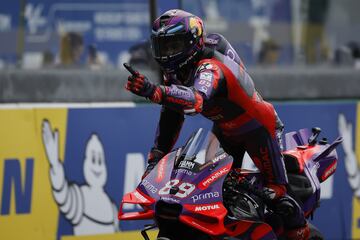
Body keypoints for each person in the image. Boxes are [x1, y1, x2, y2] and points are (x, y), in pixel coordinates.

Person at [125, 9, 309, 239]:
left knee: (277, 197)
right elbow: (172, 115)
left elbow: (196, 100)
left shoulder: (211, 66)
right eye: (162, 47)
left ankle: (301, 232)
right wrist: (154, 160)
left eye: (173, 46)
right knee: (212, 193)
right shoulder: (175, 71)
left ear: (192, 41)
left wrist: (154, 91)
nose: (167, 54)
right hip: (224, 130)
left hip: (258, 130)